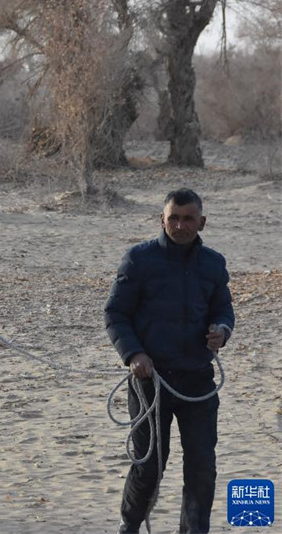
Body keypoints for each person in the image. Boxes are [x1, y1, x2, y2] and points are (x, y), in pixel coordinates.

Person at [104, 188, 235, 534]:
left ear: (201, 222)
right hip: (151, 382)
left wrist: (222, 330)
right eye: (173, 217)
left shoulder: (214, 264)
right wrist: (134, 354)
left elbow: (224, 309)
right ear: (161, 219)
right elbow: (115, 313)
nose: (180, 225)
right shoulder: (138, 260)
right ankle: (129, 524)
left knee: (202, 467)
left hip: (198, 381)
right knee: (149, 465)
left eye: (188, 218)